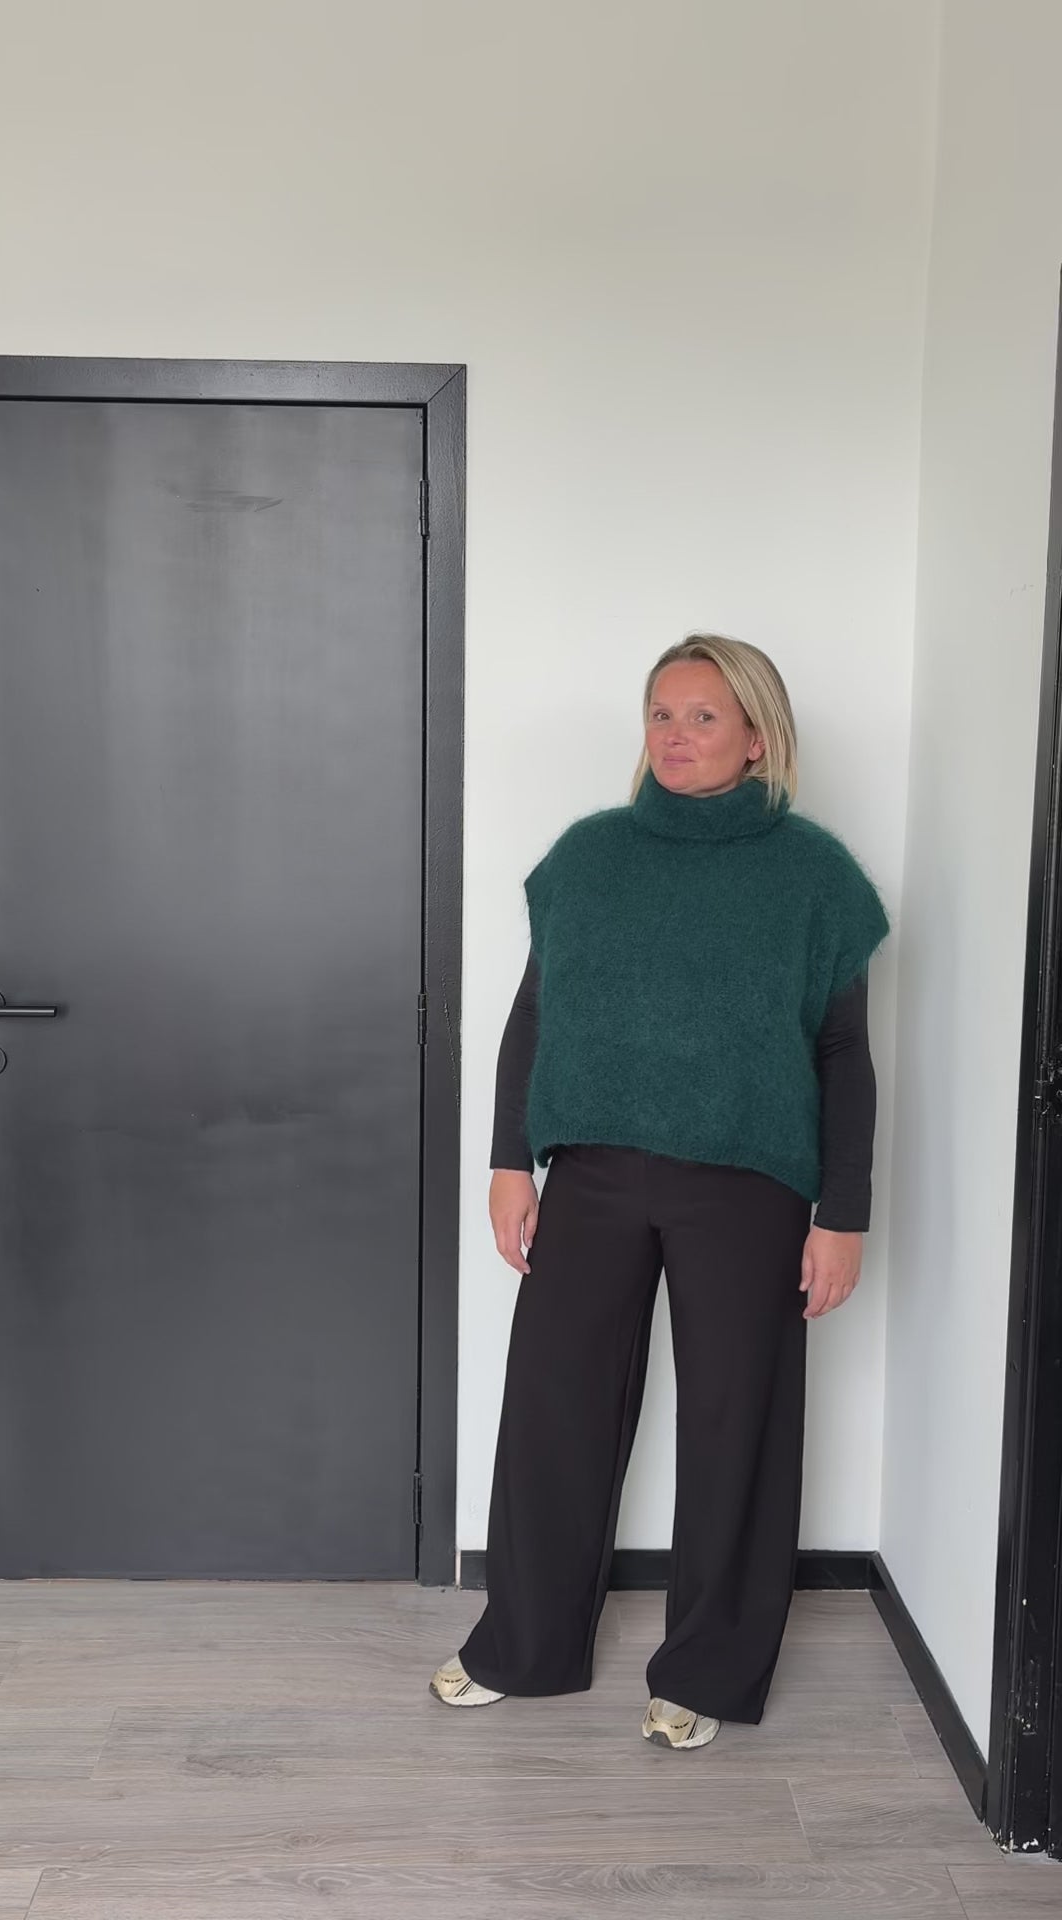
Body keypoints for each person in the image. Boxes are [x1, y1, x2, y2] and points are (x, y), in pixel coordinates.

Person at [430, 633, 891, 1749]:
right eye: (660, 715)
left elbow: (843, 1054)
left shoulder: (814, 877)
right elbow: (535, 1016)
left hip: (749, 1185)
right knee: (554, 1409)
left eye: (702, 717)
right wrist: (507, 1161)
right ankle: (525, 1645)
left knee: (738, 1423)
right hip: (593, 1174)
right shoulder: (589, 858)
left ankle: (707, 1671)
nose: (675, 737)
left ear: (757, 737)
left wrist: (843, 1213)